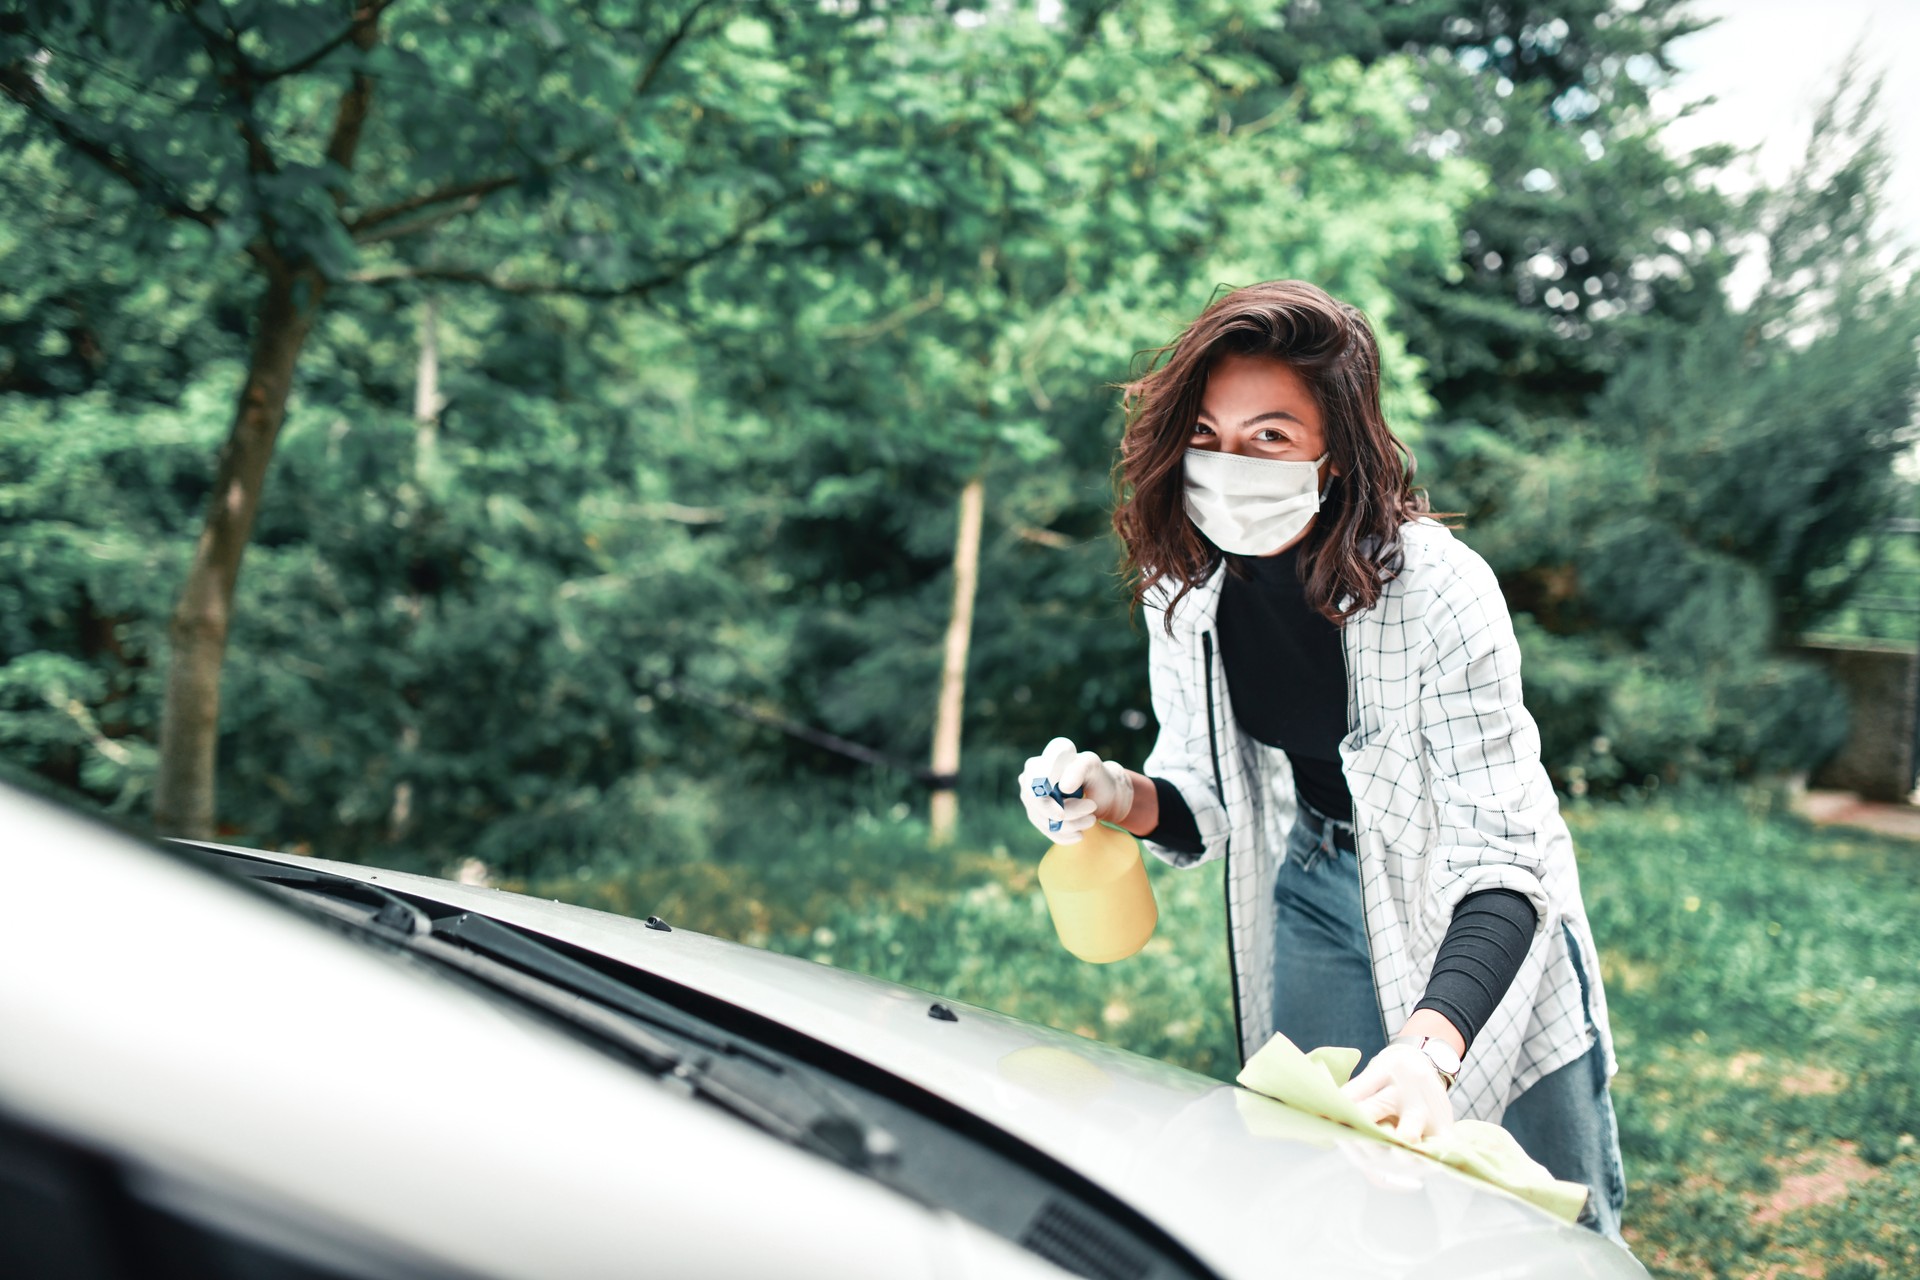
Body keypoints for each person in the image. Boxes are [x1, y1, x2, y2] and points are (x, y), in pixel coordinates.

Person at [1015, 280, 1627, 1243]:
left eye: (1268, 437)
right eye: (1208, 435)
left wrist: (1431, 1046)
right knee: (1322, 1183)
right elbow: (1202, 799)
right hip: (1313, 885)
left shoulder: (1441, 590)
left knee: (1543, 1210)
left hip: (1469, 906)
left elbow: (1504, 859)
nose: (1227, 464)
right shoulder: (1185, 584)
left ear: (1333, 453)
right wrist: (1115, 793)